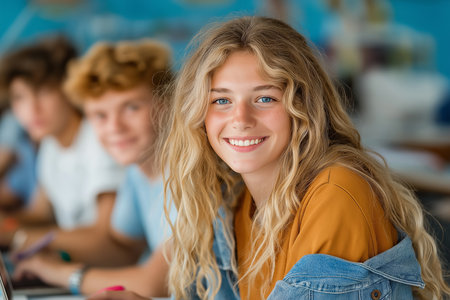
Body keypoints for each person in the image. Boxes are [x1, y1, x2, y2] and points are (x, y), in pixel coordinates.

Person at [90, 16, 450, 300]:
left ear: (304, 107)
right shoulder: (233, 202)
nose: (240, 120)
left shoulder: (337, 194)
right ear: (198, 113)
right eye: (221, 100)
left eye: (265, 98)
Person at [13, 39, 176, 297]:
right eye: (100, 115)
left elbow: (153, 284)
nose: (114, 128)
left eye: (131, 107)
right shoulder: (137, 171)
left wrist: (60, 273)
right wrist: (46, 256)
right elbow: (120, 249)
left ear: (166, 105)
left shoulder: (188, 173)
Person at [0, 36, 124, 251]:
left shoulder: (100, 139)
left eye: (44, 91)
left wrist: (14, 236)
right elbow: (40, 212)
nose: (32, 109)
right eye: (20, 97)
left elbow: (105, 237)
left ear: (69, 90)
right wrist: (7, 223)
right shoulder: (50, 145)